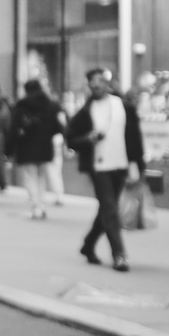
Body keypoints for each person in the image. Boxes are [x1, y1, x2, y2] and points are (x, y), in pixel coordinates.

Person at [66, 67, 145, 273]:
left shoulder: (122, 105)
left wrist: (137, 164)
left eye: (100, 81)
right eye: (93, 82)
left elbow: (135, 137)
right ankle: (119, 255)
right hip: (99, 166)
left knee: (107, 209)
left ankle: (88, 244)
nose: (97, 85)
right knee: (110, 209)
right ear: (89, 85)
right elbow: (70, 138)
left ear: (107, 83)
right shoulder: (86, 112)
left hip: (122, 165)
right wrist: (87, 138)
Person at [7, 79, 63, 220]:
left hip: (26, 146)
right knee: (41, 177)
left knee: (30, 177)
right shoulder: (51, 105)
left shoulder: (21, 106)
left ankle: (36, 206)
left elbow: (13, 130)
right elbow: (58, 127)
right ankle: (41, 205)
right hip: (45, 146)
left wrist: (8, 150)